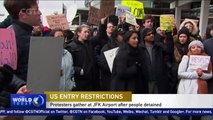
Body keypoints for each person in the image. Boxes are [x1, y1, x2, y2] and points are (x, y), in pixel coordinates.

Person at [111, 31, 147, 120]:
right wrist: (135, 67)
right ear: (127, 40)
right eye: (134, 38)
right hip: (124, 90)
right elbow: (121, 72)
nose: (137, 40)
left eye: (137, 38)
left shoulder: (137, 52)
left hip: (135, 89)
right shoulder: (123, 54)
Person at [178, 40, 212, 120]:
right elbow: (180, 73)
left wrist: (202, 75)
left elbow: (210, 74)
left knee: (197, 115)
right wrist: (196, 74)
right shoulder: (186, 58)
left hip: (200, 90)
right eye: (193, 47)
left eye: (198, 47)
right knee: (185, 114)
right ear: (190, 49)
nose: (196, 49)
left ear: (202, 49)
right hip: (187, 89)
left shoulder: (206, 59)